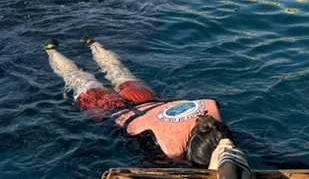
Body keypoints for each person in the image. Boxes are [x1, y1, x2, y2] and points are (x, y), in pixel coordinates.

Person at [43, 37, 237, 167]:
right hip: (112, 109)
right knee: (78, 78)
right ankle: (51, 52)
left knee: (117, 70)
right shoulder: (165, 152)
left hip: (144, 97)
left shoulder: (211, 123)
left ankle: (92, 44)